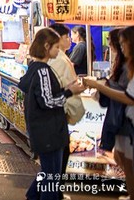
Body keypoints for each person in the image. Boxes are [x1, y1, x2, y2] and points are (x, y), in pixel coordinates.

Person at [18, 28, 85, 200]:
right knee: (51, 178)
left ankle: (32, 196)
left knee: (48, 173)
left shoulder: (35, 69)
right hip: (49, 131)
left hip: (44, 130)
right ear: (47, 47)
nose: (59, 50)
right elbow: (47, 102)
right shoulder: (42, 71)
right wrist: (69, 91)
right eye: (56, 47)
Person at [84, 27, 134, 200]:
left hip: (127, 123)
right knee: (124, 160)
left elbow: (129, 97)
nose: (120, 47)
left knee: (128, 163)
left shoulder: (129, 68)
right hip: (124, 122)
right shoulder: (127, 65)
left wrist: (100, 86)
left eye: (122, 43)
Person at [48, 23, 85, 200]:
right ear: (58, 38)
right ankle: (53, 194)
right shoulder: (60, 60)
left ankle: (42, 194)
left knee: (54, 164)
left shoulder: (52, 59)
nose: (69, 40)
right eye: (67, 37)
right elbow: (66, 90)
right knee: (57, 163)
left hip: (52, 117)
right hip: (57, 116)